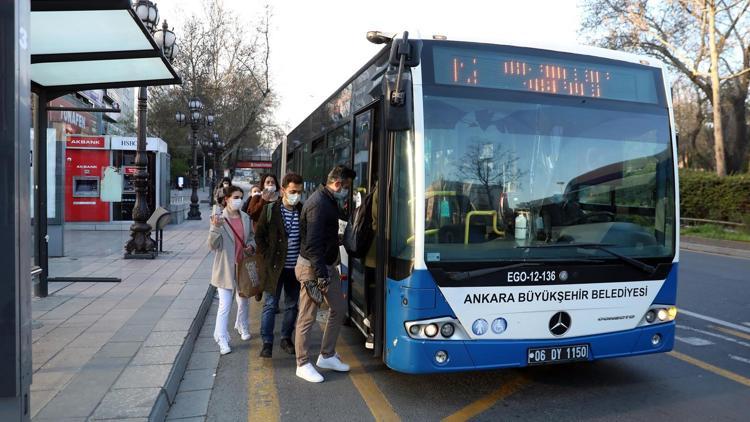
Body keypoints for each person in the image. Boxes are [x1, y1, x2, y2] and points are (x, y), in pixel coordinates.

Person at [294, 165, 356, 383]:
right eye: (347, 187)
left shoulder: (328, 199)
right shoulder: (318, 204)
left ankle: (326, 355)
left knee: (338, 308)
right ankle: (302, 363)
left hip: (325, 266)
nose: (347, 191)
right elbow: (312, 246)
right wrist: (321, 276)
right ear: (337, 184)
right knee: (307, 316)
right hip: (313, 268)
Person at [255, 173, 304, 358]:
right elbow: (259, 236)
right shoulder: (270, 210)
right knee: (270, 304)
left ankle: (286, 338)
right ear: (283, 190)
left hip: (295, 268)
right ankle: (267, 342)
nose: (296, 195)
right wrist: (267, 254)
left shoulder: (302, 210)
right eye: (293, 191)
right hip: (274, 267)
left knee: (292, 306)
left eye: (299, 192)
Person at [207, 185, 256, 355]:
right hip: (225, 268)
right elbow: (212, 246)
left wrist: (251, 246)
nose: (239, 200)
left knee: (243, 300)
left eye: (240, 197)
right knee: (225, 305)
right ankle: (221, 337)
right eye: (235, 197)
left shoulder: (245, 217)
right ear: (226, 199)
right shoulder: (219, 218)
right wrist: (215, 227)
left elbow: (250, 238)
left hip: (242, 266)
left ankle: (241, 324)